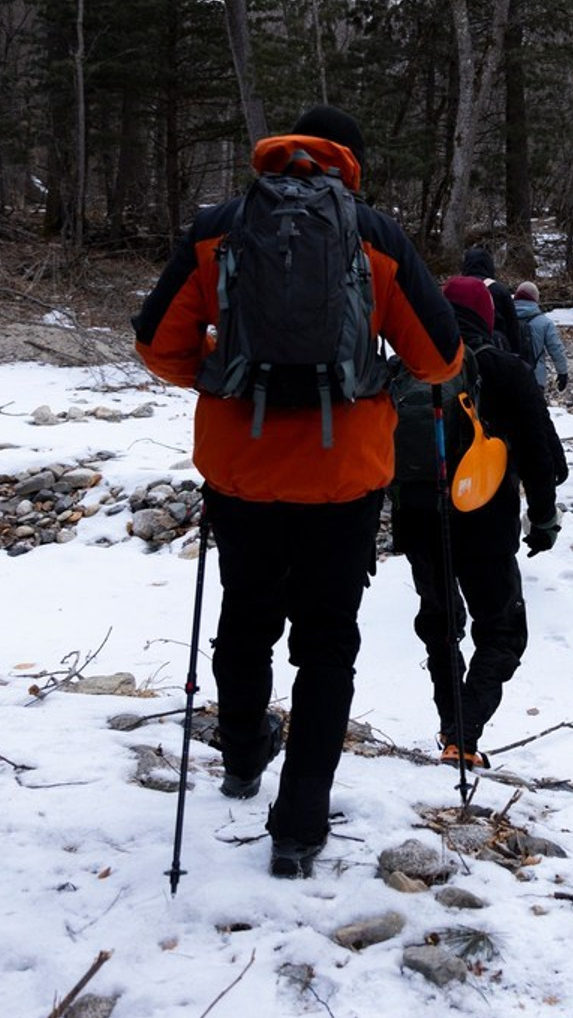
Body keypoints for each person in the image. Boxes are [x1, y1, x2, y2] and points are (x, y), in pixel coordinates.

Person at [132, 106, 463, 879]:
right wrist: (373, 378)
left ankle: (243, 757)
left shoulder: (220, 227)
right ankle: (301, 819)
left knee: (246, 616)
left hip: (240, 470)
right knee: (327, 642)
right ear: (350, 161)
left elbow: (156, 345)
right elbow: (444, 356)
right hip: (342, 478)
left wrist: (227, 382)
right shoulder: (375, 235)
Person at [391, 275, 563, 769]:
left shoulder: (405, 368)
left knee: (441, 628)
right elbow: (537, 453)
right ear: (487, 316)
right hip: (486, 521)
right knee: (503, 630)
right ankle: (462, 736)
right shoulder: (504, 367)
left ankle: (452, 731)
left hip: (419, 519)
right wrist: (544, 519)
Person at [461, 246, 522, 355]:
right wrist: (516, 353)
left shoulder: (455, 289)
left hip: (462, 350)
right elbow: (512, 326)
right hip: (495, 349)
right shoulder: (498, 290)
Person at [512, 280, 570, 395]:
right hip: (535, 378)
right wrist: (562, 373)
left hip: (508, 377)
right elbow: (556, 349)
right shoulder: (544, 322)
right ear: (535, 299)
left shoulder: (505, 317)